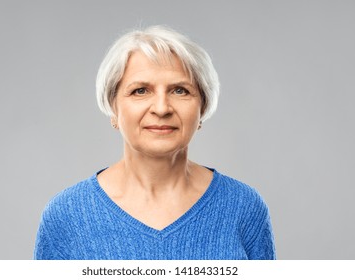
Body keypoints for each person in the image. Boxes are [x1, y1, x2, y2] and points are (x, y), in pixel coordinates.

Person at [34, 25, 276, 260]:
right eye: (140, 91)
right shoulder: (66, 215)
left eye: (180, 90)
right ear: (113, 107)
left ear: (202, 107)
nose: (161, 108)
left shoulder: (244, 207)